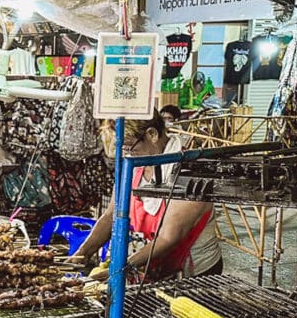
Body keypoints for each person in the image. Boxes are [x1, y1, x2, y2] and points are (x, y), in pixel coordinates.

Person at [73, 111, 222, 280]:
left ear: (152, 134)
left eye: (130, 146)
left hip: (195, 274)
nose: (127, 153)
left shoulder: (190, 170)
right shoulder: (134, 164)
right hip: (152, 266)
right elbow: (109, 216)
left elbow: (169, 237)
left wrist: (120, 270)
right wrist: (82, 254)